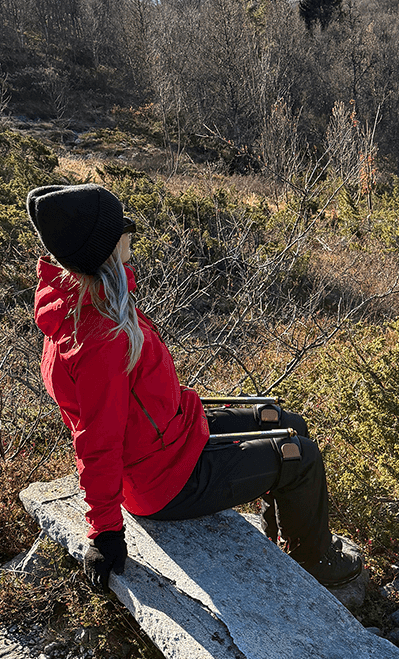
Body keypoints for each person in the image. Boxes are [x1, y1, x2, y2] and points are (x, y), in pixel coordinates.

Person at [26, 183, 363, 593]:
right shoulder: (101, 337)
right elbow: (96, 439)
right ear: (102, 249)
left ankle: (284, 540)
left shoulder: (83, 299)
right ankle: (315, 561)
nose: (129, 232)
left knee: (287, 421)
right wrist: (105, 532)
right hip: (164, 479)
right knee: (300, 456)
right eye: (120, 228)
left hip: (172, 434)